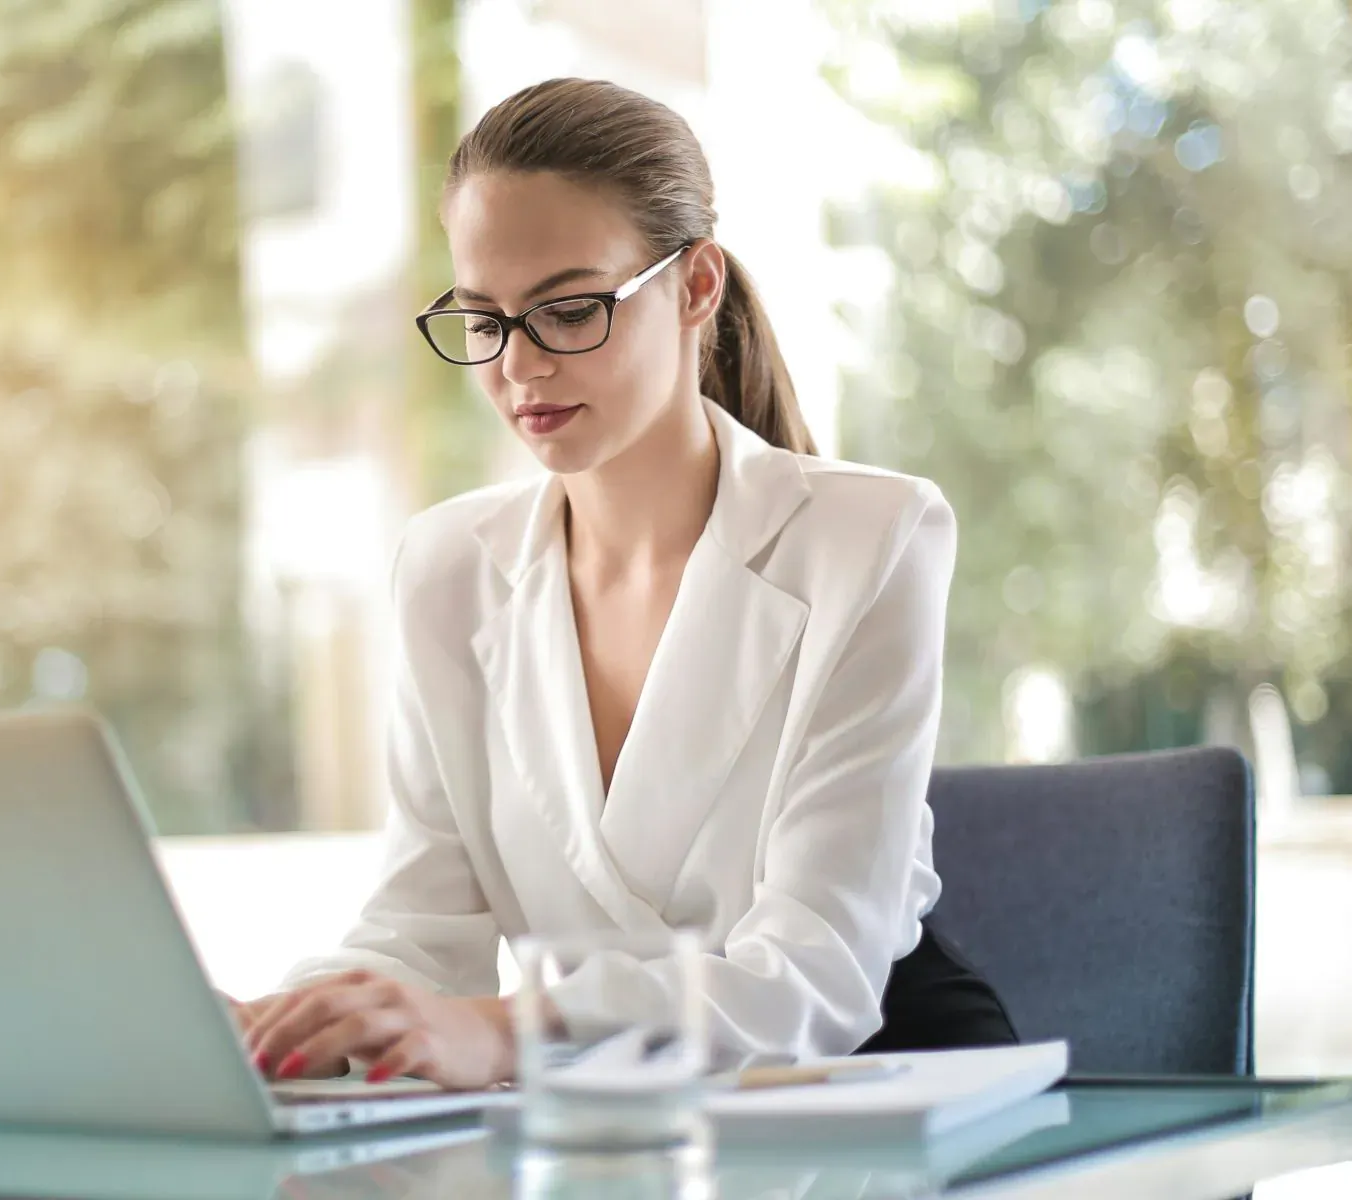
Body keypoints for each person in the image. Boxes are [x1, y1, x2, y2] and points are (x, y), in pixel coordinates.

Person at [238, 78, 1017, 1090]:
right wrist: (280, 1027)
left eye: (569, 311)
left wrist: (511, 1035)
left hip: (869, 1090)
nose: (520, 366)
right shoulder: (448, 569)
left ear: (697, 287)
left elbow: (813, 979)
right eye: (485, 318)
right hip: (610, 1117)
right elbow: (418, 931)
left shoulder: (871, 538)